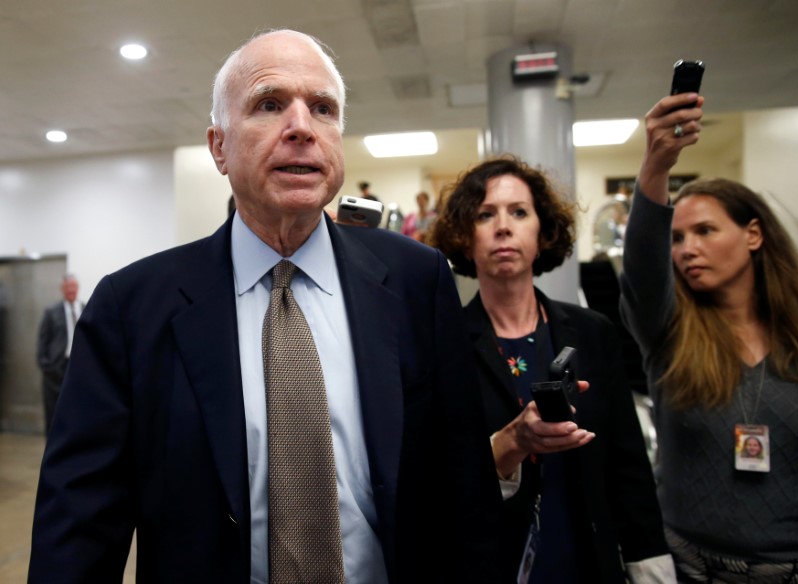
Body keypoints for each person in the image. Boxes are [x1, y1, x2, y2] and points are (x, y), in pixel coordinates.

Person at [28, 30, 502, 584]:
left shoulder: (417, 282)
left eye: (322, 109)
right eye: (269, 104)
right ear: (218, 146)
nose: (301, 126)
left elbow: (466, 489)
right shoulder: (130, 308)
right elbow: (79, 527)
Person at [429, 155, 674, 583]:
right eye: (485, 215)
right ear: (465, 239)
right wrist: (511, 443)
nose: (503, 226)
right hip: (490, 564)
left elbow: (628, 465)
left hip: (587, 560)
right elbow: (440, 479)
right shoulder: (441, 344)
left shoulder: (591, 332)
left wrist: (650, 565)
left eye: (519, 212)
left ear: (542, 235)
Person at [619, 92, 798, 581]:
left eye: (704, 231)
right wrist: (656, 164)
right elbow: (642, 268)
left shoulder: (795, 338)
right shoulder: (671, 333)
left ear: (754, 235)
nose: (687, 250)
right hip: (688, 567)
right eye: (677, 238)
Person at [35, 274, 82, 435]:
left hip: (79, 368)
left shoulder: (87, 308)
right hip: (56, 369)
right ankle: (52, 449)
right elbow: (42, 342)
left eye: (73, 286)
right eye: (67, 287)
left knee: (77, 409)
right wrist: (46, 366)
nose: (71, 290)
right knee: (53, 413)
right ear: (62, 289)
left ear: (78, 288)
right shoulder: (51, 312)